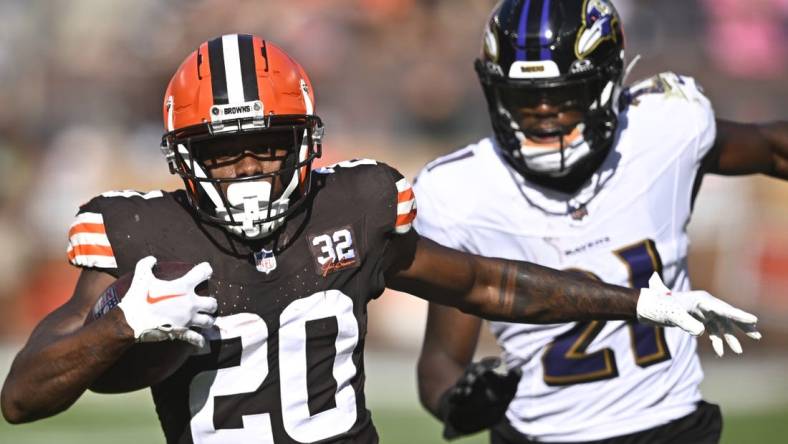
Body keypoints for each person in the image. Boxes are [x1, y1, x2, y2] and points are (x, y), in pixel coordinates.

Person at [0, 34, 759, 444]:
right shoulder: (141, 231)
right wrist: (121, 324)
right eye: (224, 152)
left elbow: (486, 283)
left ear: (306, 141)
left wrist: (639, 303)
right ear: (183, 159)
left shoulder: (354, 205)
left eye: (268, 144)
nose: (250, 170)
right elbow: (23, 400)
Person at [415, 0, 786, 443]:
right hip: (538, 435)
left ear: (608, 85)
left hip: (669, 427)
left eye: (564, 95)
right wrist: (458, 403)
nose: (543, 112)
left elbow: (771, 147)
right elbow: (440, 363)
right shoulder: (459, 192)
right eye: (525, 97)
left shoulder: (663, 128)